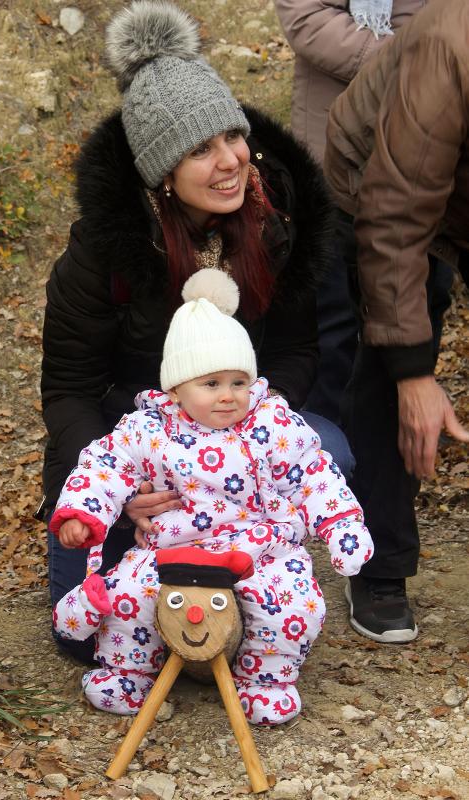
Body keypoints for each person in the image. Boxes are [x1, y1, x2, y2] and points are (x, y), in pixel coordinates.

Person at [40, 0, 349, 665]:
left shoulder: (277, 220)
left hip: (242, 432)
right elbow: (67, 388)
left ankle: (265, 572)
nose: (231, 160)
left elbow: (297, 351)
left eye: (232, 137)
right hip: (138, 444)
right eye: (201, 149)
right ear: (163, 177)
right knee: (85, 641)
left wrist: (252, 432)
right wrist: (123, 486)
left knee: (329, 448)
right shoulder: (104, 250)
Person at [50, 270, 374, 725]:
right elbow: (105, 465)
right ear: (176, 388)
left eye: (238, 382)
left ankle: (265, 680)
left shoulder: (272, 426)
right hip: (171, 547)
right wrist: (83, 512)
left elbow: (314, 474)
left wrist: (340, 524)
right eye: (211, 383)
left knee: (291, 603)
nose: (228, 396)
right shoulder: (149, 429)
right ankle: (127, 673)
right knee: (127, 595)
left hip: (258, 546)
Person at [324, 0, 469, 643]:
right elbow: (396, 217)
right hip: (373, 193)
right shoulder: (449, 46)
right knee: (389, 369)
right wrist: (416, 373)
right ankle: (379, 565)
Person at [274, 0, 425, 423]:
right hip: (331, 150)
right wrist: (403, 57)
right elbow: (303, 17)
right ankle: (322, 447)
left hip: (421, 150)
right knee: (332, 314)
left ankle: (391, 443)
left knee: (412, 303)